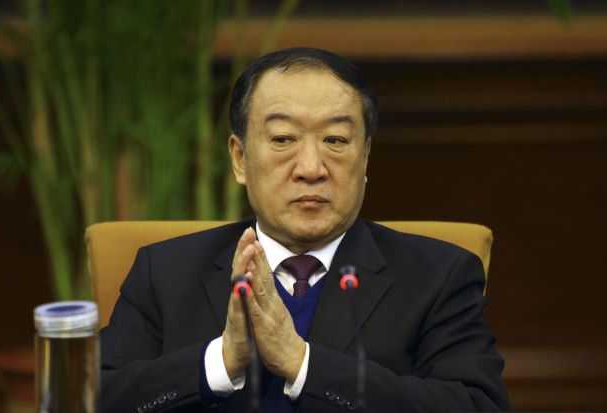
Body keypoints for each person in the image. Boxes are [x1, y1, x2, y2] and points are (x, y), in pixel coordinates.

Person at [100, 47, 510, 412]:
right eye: (283, 139)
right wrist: (220, 362)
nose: (311, 168)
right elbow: (91, 398)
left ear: (365, 157)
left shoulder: (438, 276)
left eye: (335, 140)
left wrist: (302, 363)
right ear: (240, 159)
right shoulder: (165, 272)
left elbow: (477, 404)